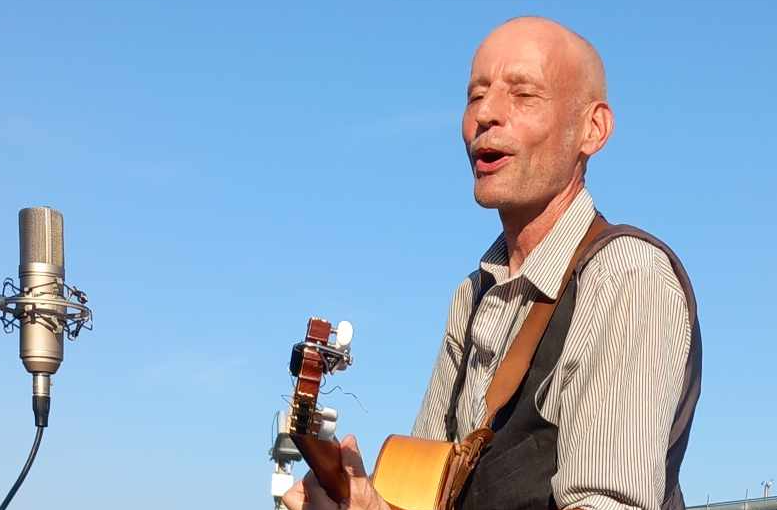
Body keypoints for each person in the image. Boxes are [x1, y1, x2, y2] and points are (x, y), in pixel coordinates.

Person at [286, 16, 701, 510]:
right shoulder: (473, 293)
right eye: (474, 95)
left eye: (523, 95)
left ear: (592, 129)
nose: (486, 114)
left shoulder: (626, 277)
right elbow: (422, 495)